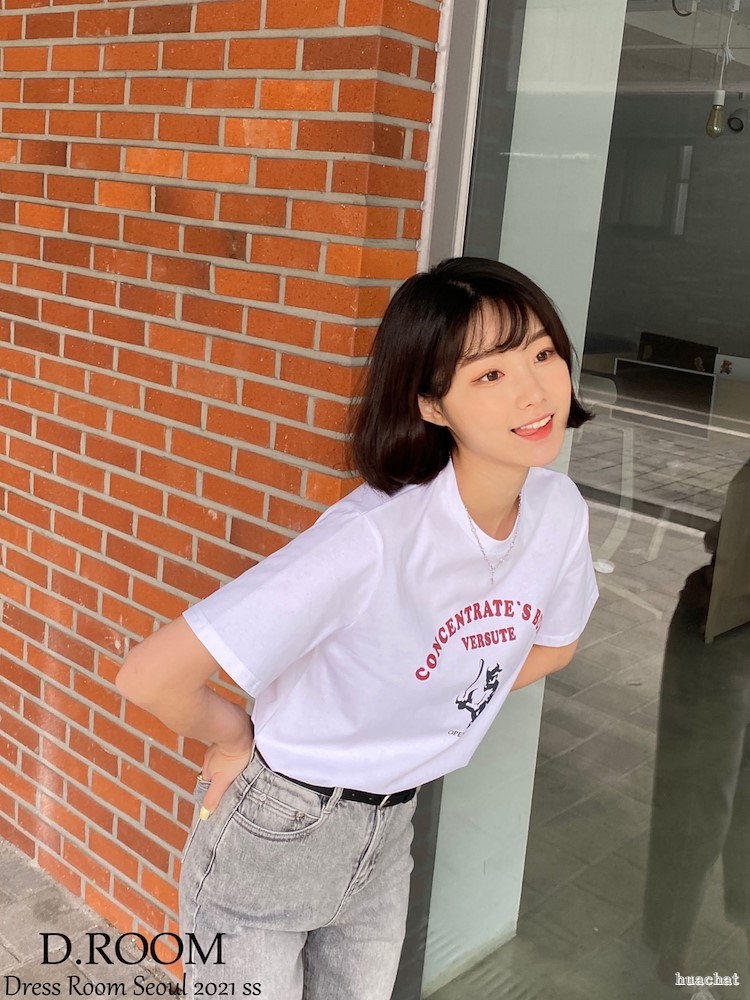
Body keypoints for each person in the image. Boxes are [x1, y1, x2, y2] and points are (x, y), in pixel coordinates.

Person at [116, 256, 600, 1000]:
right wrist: (235, 738)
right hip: (278, 824)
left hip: (389, 830)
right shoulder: (371, 538)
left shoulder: (558, 510)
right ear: (431, 404)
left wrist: (434, 699)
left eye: (542, 354)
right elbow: (150, 675)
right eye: (490, 374)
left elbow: (555, 646)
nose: (535, 391)